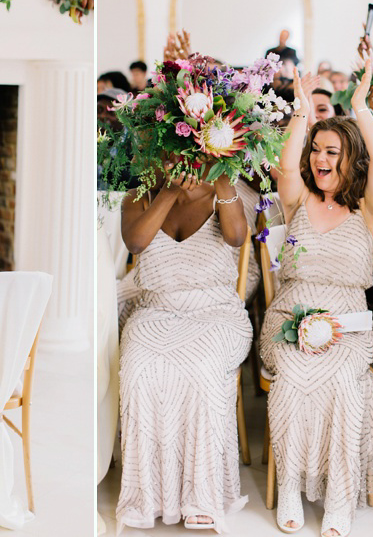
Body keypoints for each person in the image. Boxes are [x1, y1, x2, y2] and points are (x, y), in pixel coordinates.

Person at [259, 60, 373, 537]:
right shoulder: (295, 201)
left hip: (350, 325)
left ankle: (339, 496)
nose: (320, 159)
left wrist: (359, 108)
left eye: (332, 151)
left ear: (349, 156)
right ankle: (290, 486)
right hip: (288, 314)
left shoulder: (368, 207)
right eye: (316, 150)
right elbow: (284, 164)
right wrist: (300, 114)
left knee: (341, 379)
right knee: (292, 373)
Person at [116, 164, 251, 532]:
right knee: (139, 369)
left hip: (216, 312)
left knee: (202, 367)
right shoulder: (139, 196)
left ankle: (201, 496)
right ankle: (149, 496)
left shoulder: (222, 191)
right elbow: (136, 243)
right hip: (155, 309)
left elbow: (238, 238)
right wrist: (170, 192)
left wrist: (223, 174)